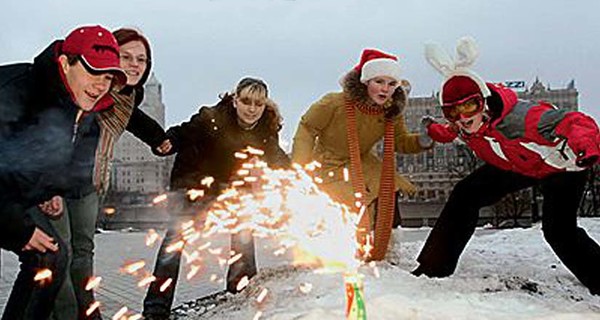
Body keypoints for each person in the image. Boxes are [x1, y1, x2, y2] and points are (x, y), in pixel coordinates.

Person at [412, 37, 600, 295]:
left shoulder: (523, 120)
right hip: (516, 165)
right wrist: (433, 130)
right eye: (453, 111)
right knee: (466, 194)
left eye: (469, 106)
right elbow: (450, 132)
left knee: (558, 230)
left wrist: (585, 147)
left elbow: (576, 121)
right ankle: (433, 267)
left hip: (562, 166)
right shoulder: (464, 124)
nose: (463, 118)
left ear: (484, 101)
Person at [0, 25, 126, 319]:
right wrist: (16, 227)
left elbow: (60, 163)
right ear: (65, 63)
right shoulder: (15, 92)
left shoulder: (85, 111)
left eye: (107, 77)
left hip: (8, 191)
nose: (100, 85)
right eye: (93, 72)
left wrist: (50, 190)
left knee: (51, 257)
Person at [48, 27, 172, 319]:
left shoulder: (127, 95)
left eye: (141, 60)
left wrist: (159, 138)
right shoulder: (93, 84)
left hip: (91, 183)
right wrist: (47, 182)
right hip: (56, 182)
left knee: (82, 253)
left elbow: (132, 119)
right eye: (125, 57)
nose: (133, 65)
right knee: (59, 256)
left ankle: (85, 312)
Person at [142, 77, 289, 319]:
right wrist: (168, 142)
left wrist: (296, 179)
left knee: (243, 233)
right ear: (235, 100)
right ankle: (156, 307)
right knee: (176, 240)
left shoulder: (266, 129)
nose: (252, 109)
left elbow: (277, 159)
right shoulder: (212, 117)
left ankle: (240, 291)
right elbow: (183, 132)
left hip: (232, 189)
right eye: (247, 102)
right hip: (195, 183)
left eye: (258, 104)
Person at [291, 49, 433, 261]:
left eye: (392, 84)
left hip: (363, 160)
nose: (385, 89)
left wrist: (423, 140)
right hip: (329, 161)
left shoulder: (390, 110)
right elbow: (307, 127)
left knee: (388, 188)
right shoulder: (334, 103)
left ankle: (387, 249)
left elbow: (400, 141)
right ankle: (349, 251)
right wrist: (300, 166)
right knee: (354, 200)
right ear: (366, 82)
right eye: (379, 81)